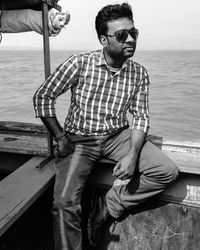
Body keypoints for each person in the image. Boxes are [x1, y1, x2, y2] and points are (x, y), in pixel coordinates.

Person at [33, 3, 179, 250]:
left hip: (117, 136)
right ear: (104, 39)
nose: (131, 39)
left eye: (134, 32)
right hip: (80, 139)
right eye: (122, 35)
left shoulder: (139, 73)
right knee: (64, 204)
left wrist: (132, 155)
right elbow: (43, 96)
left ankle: (108, 205)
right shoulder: (80, 63)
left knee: (166, 171)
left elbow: (141, 116)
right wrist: (60, 136)